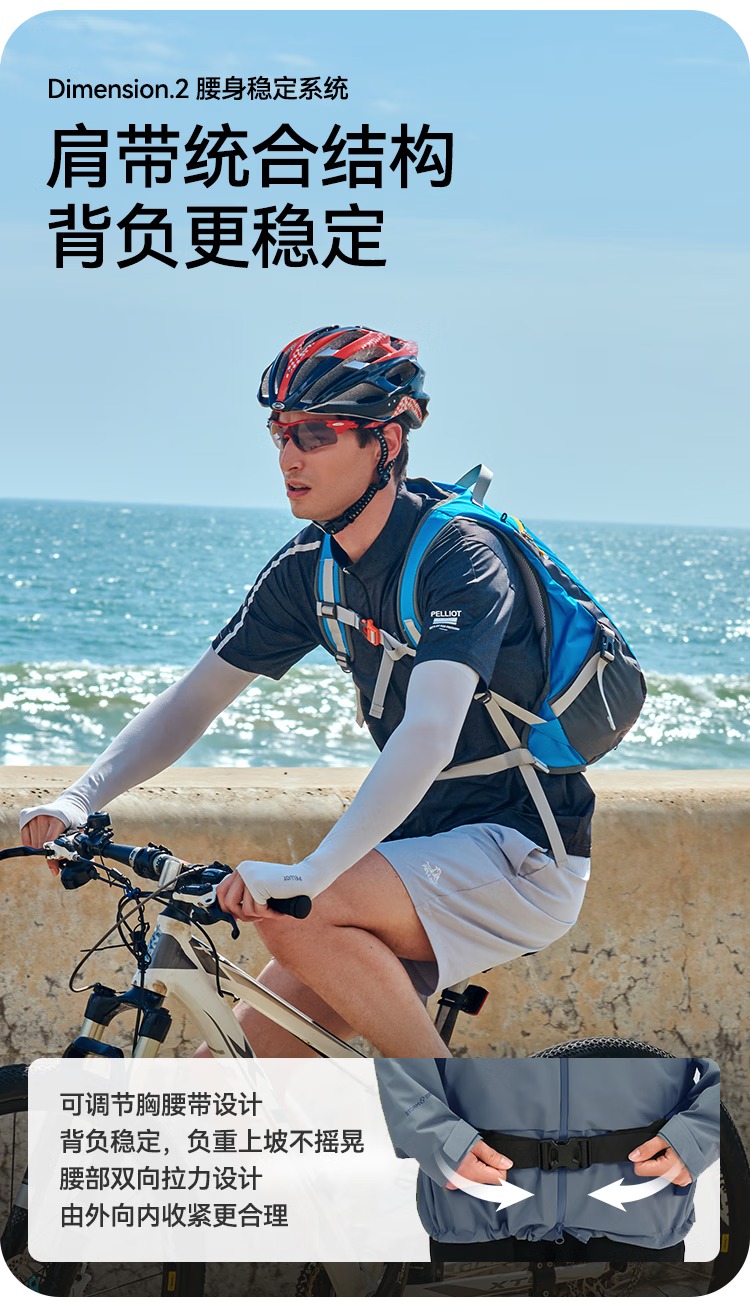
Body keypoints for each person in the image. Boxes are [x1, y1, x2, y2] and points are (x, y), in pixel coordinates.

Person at [20, 324, 595, 1059]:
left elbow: (430, 730)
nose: (288, 456)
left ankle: (443, 1113)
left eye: (316, 434)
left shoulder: (461, 557)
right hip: (412, 855)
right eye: (280, 432)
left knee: (296, 913)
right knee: (221, 1086)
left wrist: (310, 875)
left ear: (386, 442)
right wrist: (78, 799)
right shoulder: (310, 570)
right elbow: (194, 701)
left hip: (519, 851)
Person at [375, 1056, 720, 1261]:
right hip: (476, 1217)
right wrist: (440, 1140)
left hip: (640, 1219)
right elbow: (399, 1050)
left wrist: (697, 1135)